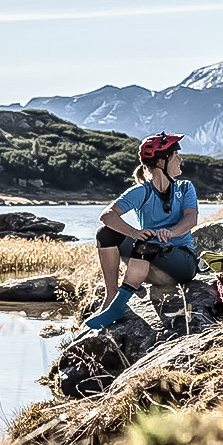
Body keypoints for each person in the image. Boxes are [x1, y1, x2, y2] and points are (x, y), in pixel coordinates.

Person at [85, 132, 199, 330]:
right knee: (105, 234)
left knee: (146, 246)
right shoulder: (142, 191)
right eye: (176, 155)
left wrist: (170, 233)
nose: (181, 159)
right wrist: (134, 233)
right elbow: (107, 215)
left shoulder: (185, 187)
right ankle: (111, 296)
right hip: (146, 261)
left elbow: (191, 219)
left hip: (182, 264)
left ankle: (118, 307)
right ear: (162, 161)